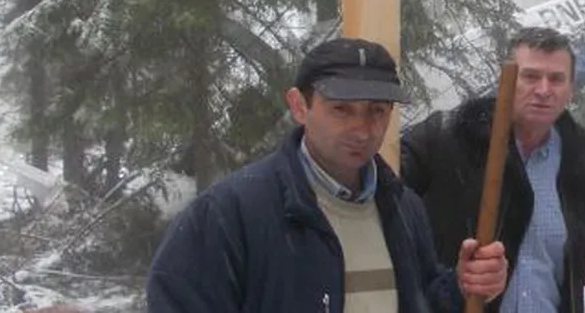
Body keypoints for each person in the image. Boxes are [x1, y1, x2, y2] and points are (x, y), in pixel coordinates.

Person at [147, 37, 508, 312]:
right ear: (299, 106)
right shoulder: (228, 214)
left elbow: (421, 303)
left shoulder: (403, 209)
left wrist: (462, 287)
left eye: (376, 111)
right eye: (341, 110)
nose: (362, 130)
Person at [401, 26, 585, 313]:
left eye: (556, 79)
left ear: (571, 90)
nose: (543, 90)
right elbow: (386, 205)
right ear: (504, 80)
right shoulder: (447, 138)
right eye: (530, 76)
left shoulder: (580, 153)